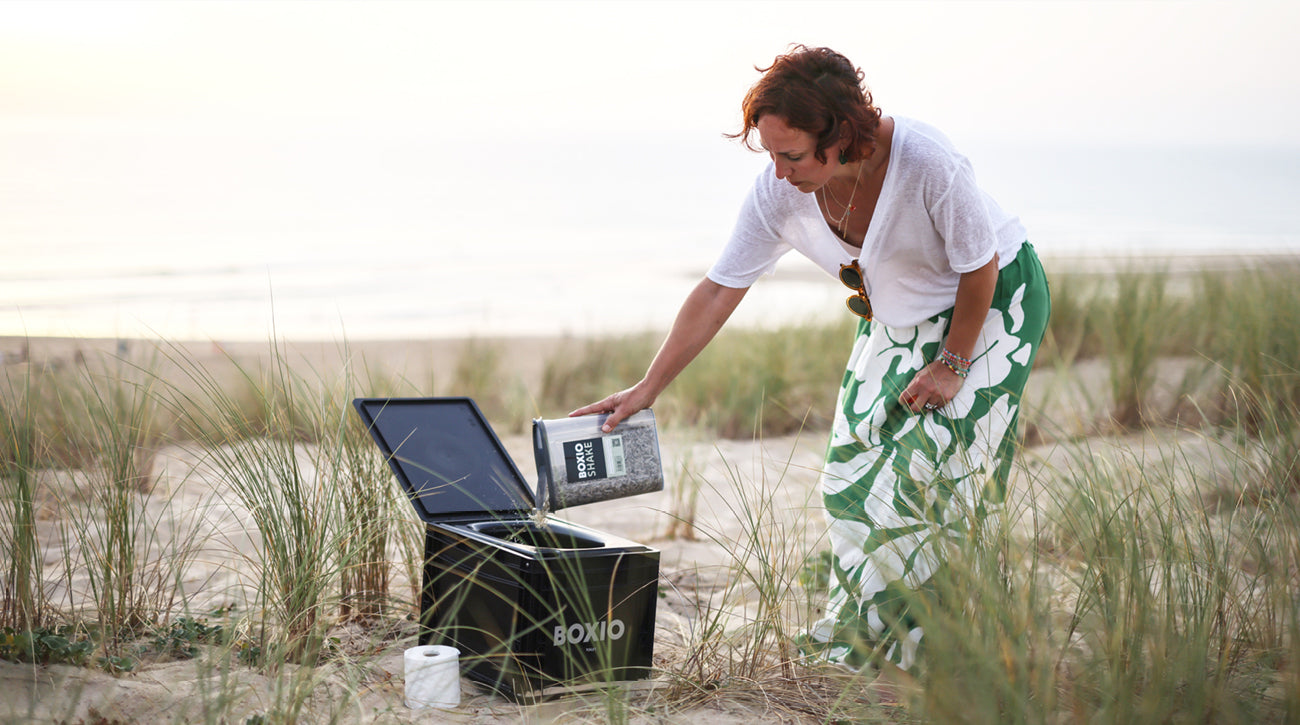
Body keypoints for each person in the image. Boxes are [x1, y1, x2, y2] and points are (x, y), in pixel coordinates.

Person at [571, 45, 1050, 679]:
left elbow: (979, 265)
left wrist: (953, 364)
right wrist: (647, 387)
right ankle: (864, 636)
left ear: (842, 135)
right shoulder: (780, 194)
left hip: (991, 305)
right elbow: (718, 290)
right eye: (769, 154)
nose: (779, 172)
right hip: (900, 313)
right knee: (849, 476)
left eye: (792, 155)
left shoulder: (927, 162)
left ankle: (928, 659)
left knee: (929, 479)